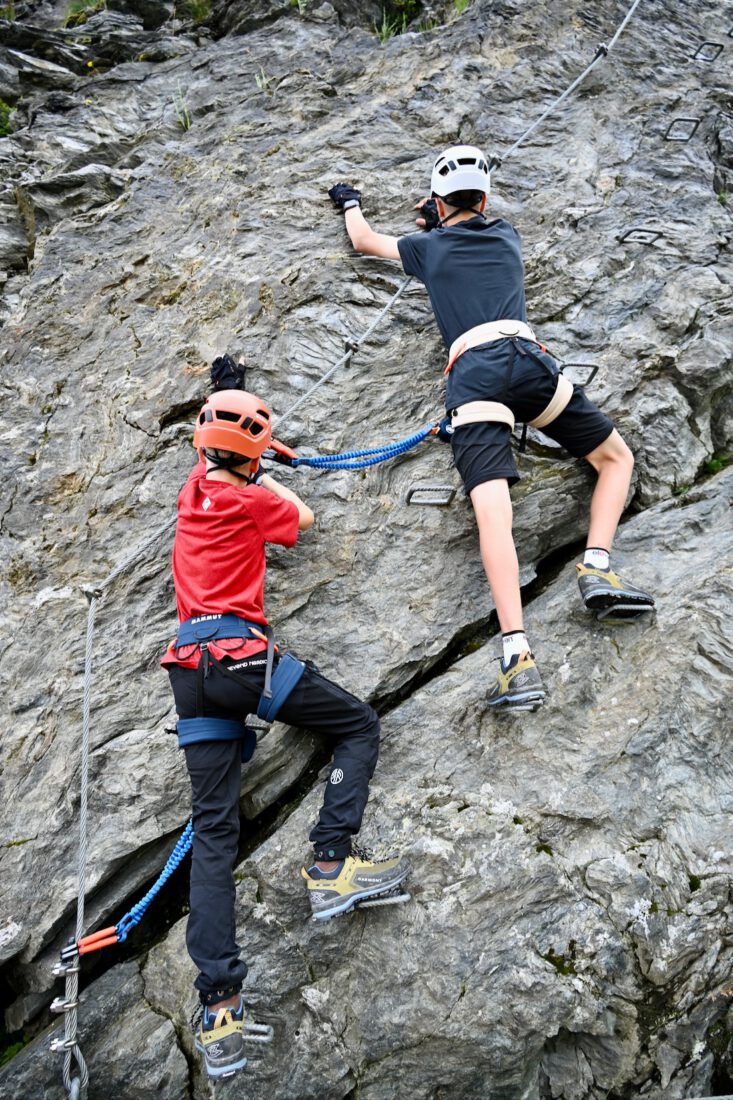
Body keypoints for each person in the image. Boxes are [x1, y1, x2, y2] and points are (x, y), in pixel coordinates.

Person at [328, 145, 654, 711]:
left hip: (473, 376)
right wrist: (439, 216)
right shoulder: (506, 238)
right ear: (483, 199)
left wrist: (350, 202)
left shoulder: (426, 247)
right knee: (614, 459)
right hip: (529, 363)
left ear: (435, 203)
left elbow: (364, 241)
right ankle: (598, 566)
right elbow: (467, 222)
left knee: (493, 514)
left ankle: (516, 655)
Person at [162, 383, 410, 1080]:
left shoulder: (192, 493)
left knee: (214, 833)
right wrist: (271, 463)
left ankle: (219, 1008)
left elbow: (219, 453)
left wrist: (238, 418)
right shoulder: (252, 495)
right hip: (244, 660)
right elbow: (300, 519)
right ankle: (330, 862)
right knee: (358, 724)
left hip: (189, 667)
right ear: (250, 453)